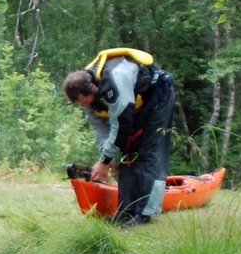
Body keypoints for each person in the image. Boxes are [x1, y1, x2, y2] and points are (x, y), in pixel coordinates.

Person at [63, 48, 175, 227]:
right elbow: (100, 130)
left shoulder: (114, 82)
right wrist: (106, 157)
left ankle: (144, 214)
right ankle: (127, 210)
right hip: (135, 105)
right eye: (81, 104)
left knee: (147, 154)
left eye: (85, 101)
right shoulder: (85, 92)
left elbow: (121, 124)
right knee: (127, 153)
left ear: (92, 88)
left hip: (158, 95)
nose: (84, 105)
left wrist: (105, 161)